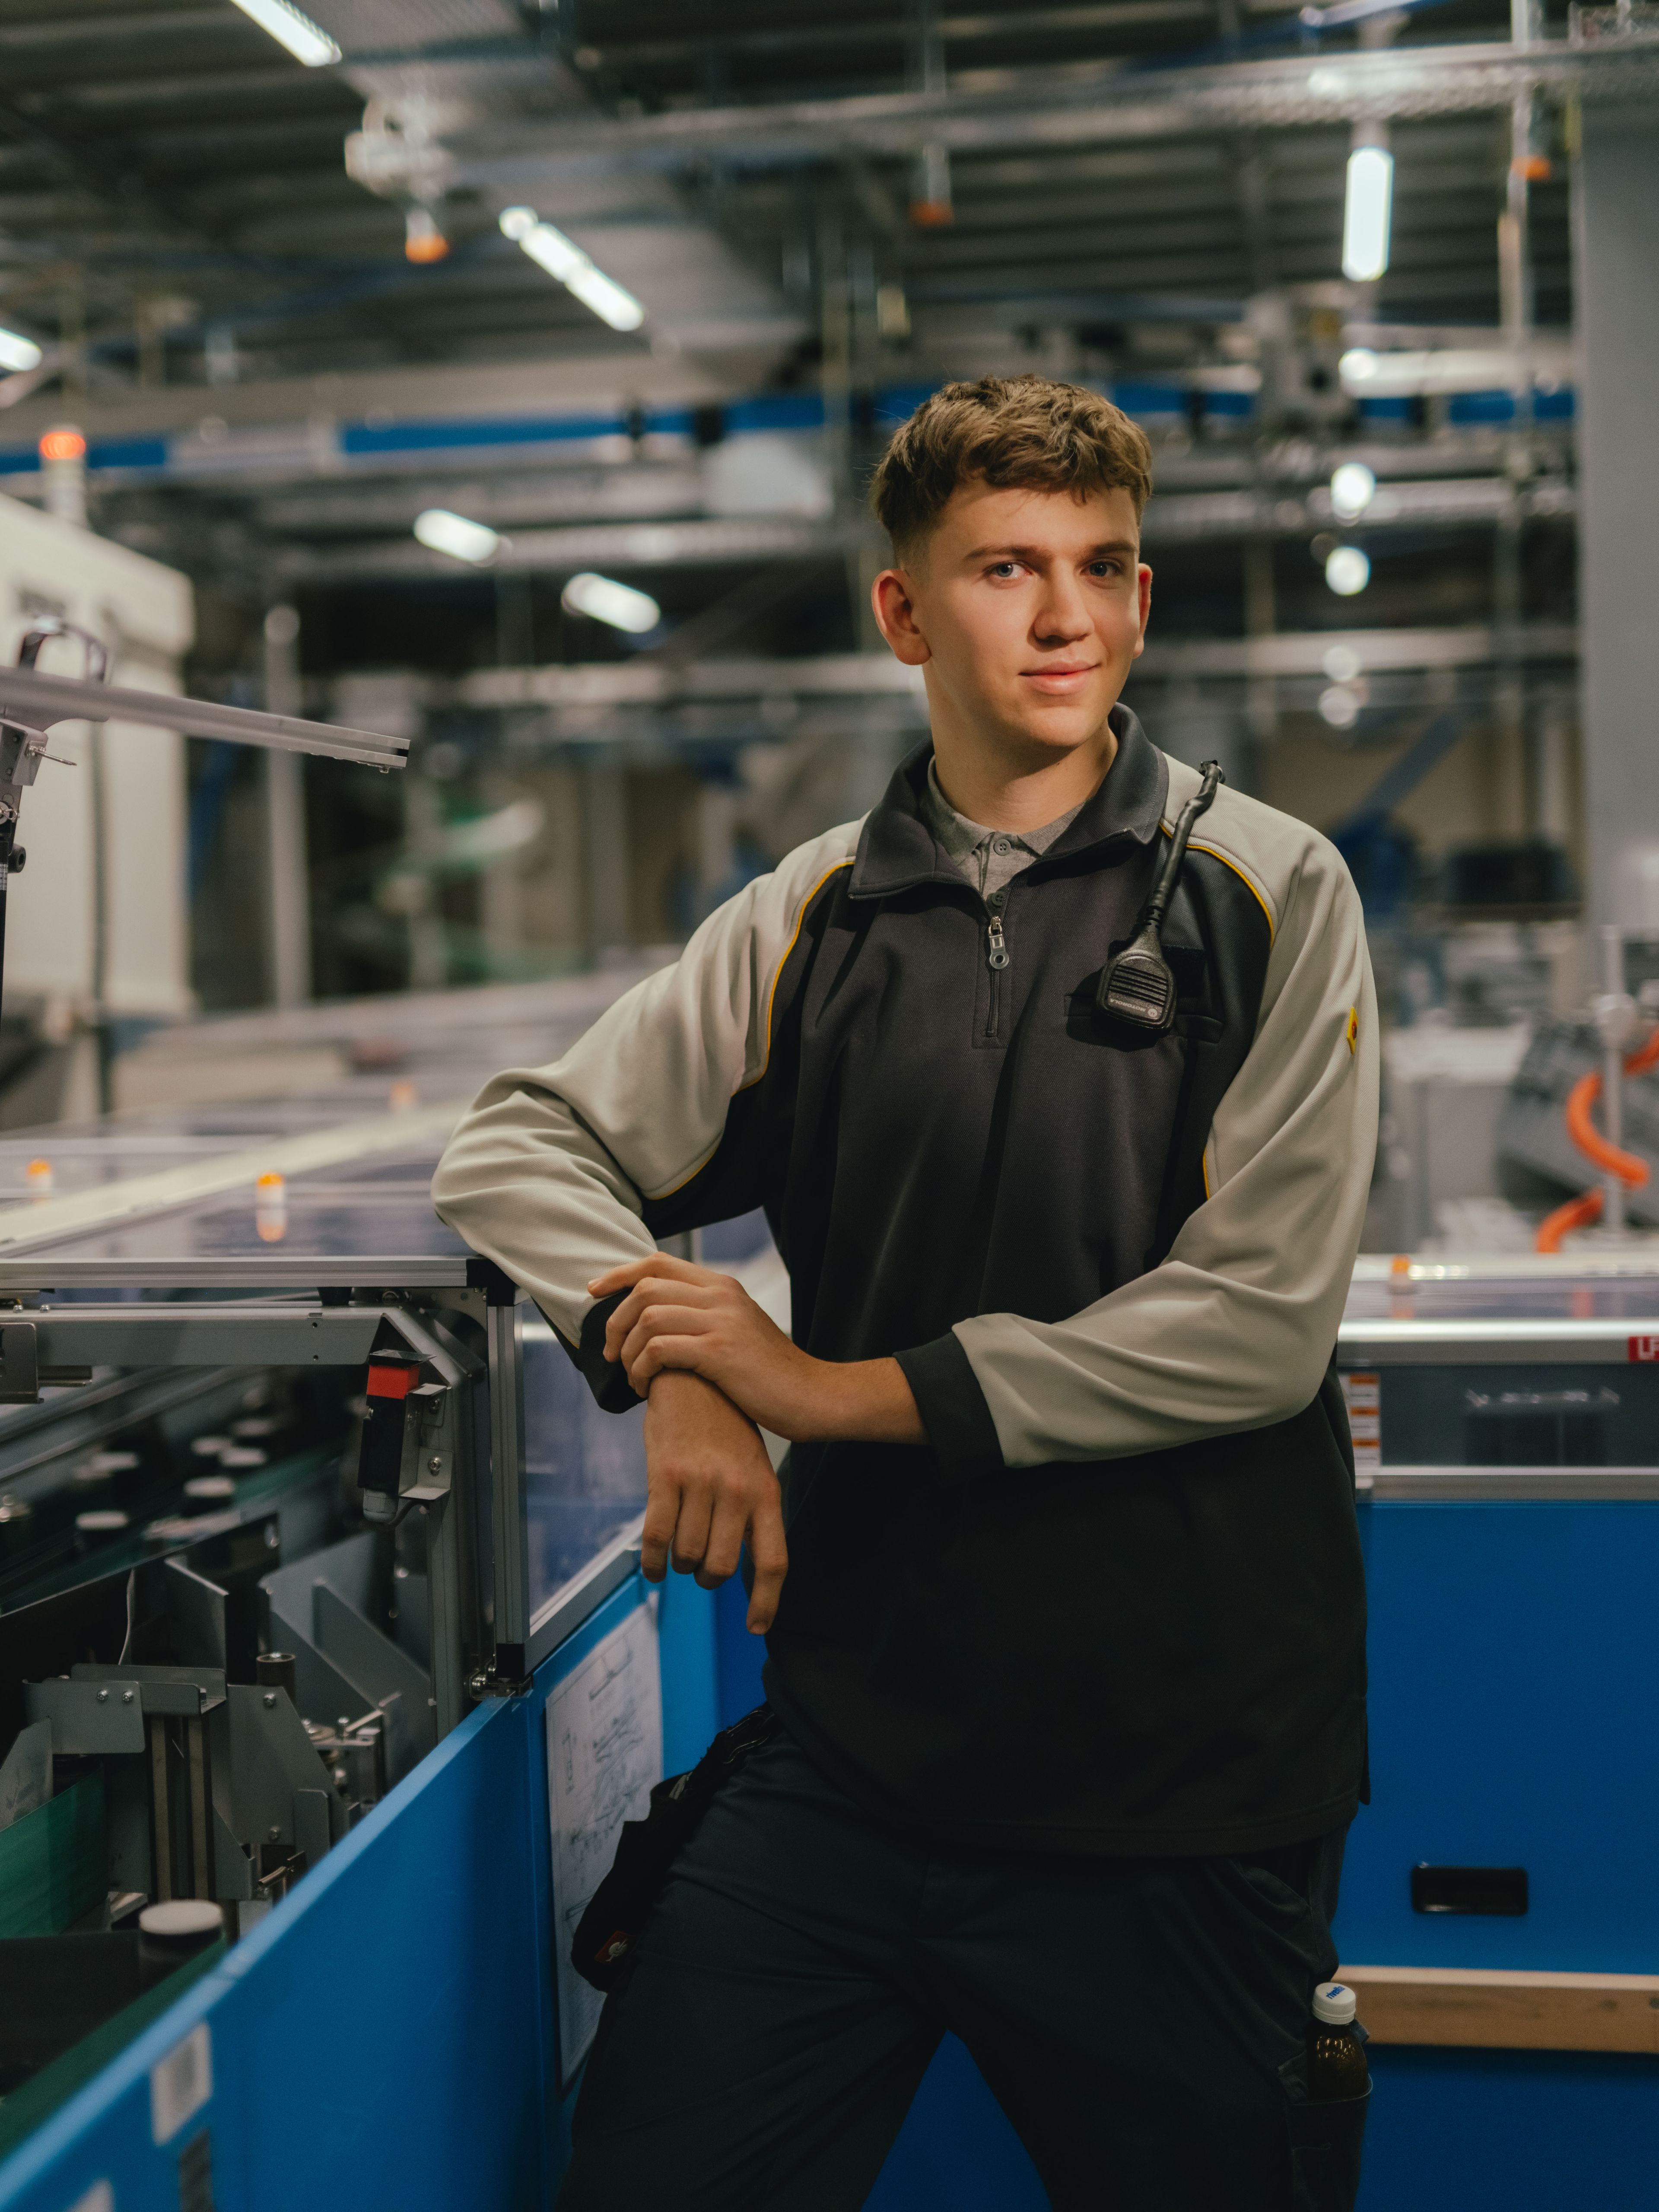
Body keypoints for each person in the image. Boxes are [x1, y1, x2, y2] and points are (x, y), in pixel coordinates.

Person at [431, 372, 1379, 2212]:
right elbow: (518, 1144)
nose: (1065, 615)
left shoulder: (1269, 891)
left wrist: (814, 1387)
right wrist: (677, 1350)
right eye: (1007, 567)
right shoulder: (811, 917)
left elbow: (1257, 1326)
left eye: (1102, 566)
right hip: (858, 1761)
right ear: (902, 612)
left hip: (1174, 1790)